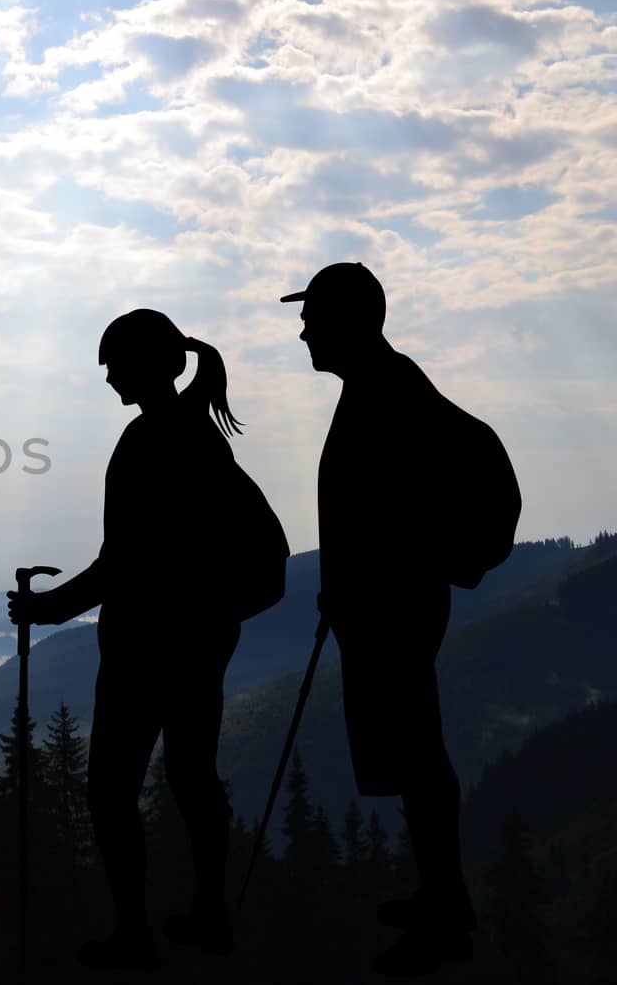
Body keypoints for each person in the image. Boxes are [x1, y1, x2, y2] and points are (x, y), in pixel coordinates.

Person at [7, 309, 276, 971]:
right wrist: (221, 616)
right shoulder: (196, 437)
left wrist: (46, 609)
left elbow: (121, 564)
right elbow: (264, 549)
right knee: (190, 777)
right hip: (195, 646)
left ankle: (135, 933)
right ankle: (207, 914)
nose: (107, 378)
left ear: (146, 364)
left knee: (111, 790)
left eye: (113, 364)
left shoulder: (153, 441)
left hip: (144, 653)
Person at [281, 261, 486, 975]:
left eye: (313, 316)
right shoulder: (381, 386)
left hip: (394, 608)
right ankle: (438, 892)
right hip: (383, 605)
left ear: (347, 320)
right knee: (414, 754)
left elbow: (396, 511)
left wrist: (375, 575)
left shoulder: (388, 391)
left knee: (419, 756)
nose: (303, 329)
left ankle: (444, 908)